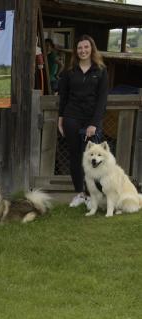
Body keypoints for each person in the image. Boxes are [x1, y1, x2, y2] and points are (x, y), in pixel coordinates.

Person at [58, 34, 108, 208]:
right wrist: (61, 119)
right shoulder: (69, 70)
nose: (83, 50)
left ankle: (91, 194)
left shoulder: (100, 70)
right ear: (76, 51)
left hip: (91, 120)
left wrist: (94, 123)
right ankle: (79, 194)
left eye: (86, 47)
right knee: (75, 156)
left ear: (91, 49)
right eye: (80, 48)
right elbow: (63, 96)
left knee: (91, 158)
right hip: (71, 118)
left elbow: (102, 99)